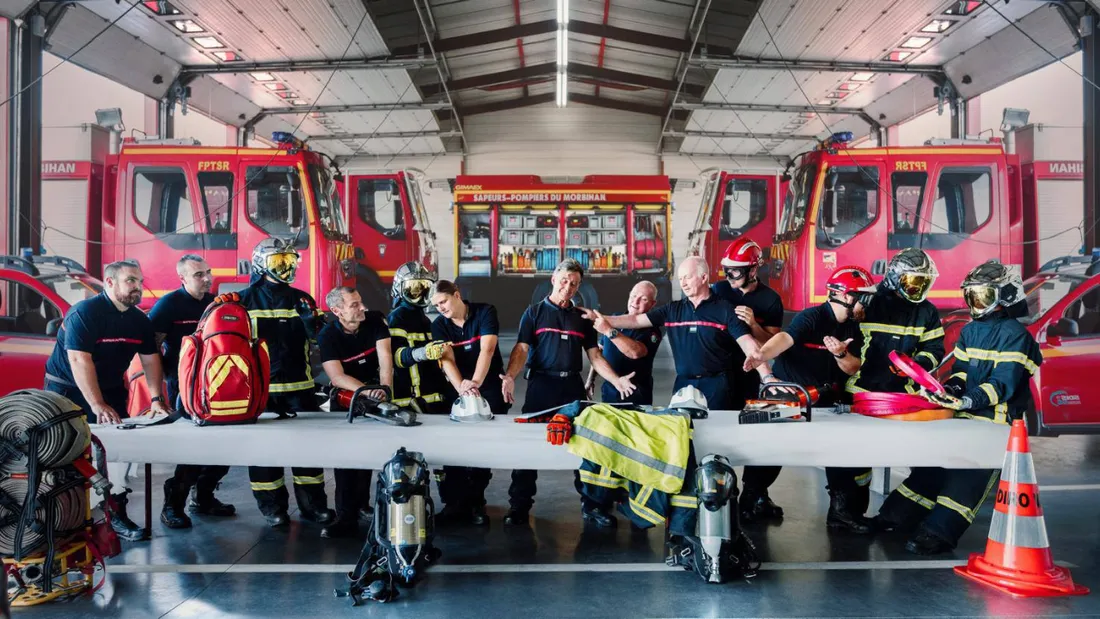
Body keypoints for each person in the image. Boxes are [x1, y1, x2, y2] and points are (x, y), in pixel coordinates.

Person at [877, 260, 1041, 555]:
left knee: (968, 479)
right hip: (966, 416)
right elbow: (963, 372)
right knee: (934, 467)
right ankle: (895, 516)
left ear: (1005, 296)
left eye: (984, 296)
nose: (976, 303)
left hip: (998, 424)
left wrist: (967, 400)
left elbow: (1003, 384)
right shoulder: (971, 330)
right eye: (972, 296)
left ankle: (939, 533)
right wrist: (952, 389)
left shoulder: (1017, 336)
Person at [501, 259, 637, 527]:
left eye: (574, 283)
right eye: (564, 281)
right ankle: (519, 507)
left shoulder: (582, 318)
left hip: (572, 389)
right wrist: (510, 376)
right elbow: (522, 350)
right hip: (541, 386)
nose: (568, 287)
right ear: (553, 279)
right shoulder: (534, 313)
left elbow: (595, 356)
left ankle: (593, 506)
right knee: (528, 448)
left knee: (587, 447)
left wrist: (617, 379)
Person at [44, 260, 170, 541]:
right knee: (66, 456)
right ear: (110, 283)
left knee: (117, 454)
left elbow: (150, 360)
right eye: (130, 281)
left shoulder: (139, 320)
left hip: (111, 390)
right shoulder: (85, 313)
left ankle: (116, 516)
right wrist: (97, 404)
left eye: (139, 280)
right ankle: (63, 520)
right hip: (68, 392)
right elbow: (79, 360)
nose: (138, 286)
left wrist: (156, 398)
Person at [744, 265, 874, 533]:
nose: (864, 301)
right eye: (859, 295)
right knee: (766, 451)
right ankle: (750, 502)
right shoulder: (812, 316)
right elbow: (784, 338)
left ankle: (839, 514)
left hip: (827, 399)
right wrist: (762, 355)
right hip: (786, 393)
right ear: (842, 295)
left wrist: (840, 354)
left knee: (838, 453)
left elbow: (852, 368)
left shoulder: (855, 327)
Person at [223, 238, 334, 528]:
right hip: (261, 394)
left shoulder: (301, 298)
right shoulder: (242, 300)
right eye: (278, 263)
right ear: (261, 264)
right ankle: (272, 508)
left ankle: (313, 506)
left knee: (308, 454)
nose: (285, 269)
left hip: (300, 390)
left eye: (289, 262)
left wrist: (314, 324)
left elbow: (320, 342)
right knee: (263, 454)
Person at [585, 256, 776, 412]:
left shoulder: (725, 310)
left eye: (688, 277)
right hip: (683, 384)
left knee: (718, 436)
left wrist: (767, 377)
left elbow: (748, 343)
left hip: (717, 384)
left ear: (703, 278)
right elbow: (635, 320)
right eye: (680, 278)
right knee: (683, 438)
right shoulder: (672, 310)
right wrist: (597, 317)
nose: (683, 283)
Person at [149, 255, 234, 530]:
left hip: (216, 386)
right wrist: (163, 385)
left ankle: (204, 498)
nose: (207, 278)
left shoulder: (214, 304)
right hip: (184, 388)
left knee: (223, 448)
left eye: (208, 272)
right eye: (199, 274)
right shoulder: (169, 305)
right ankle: (172, 507)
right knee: (192, 450)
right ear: (182, 278)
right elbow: (152, 348)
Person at [710, 239, 786, 522]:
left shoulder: (770, 300)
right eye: (727, 271)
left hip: (753, 376)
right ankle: (720, 491)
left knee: (761, 436)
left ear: (753, 270)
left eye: (736, 272)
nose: (730, 277)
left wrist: (754, 324)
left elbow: (775, 342)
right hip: (720, 372)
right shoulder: (718, 291)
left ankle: (755, 493)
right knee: (718, 433)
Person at [430, 280, 509, 526]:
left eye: (443, 301)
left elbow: (487, 350)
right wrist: (463, 388)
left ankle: (476, 503)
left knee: (481, 449)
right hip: (458, 387)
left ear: (457, 295)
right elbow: (447, 360)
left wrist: (475, 382)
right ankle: (454, 504)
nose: (440, 308)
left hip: (487, 385)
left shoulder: (486, 312)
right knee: (453, 450)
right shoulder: (439, 325)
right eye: (436, 305)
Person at [317, 286, 393, 539]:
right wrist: (366, 392)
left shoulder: (375, 320)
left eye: (360, 302)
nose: (362, 308)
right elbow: (337, 376)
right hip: (348, 398)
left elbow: (385, 359)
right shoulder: (328, 335)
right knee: (346, 460)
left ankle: (362, 506)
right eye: (354, 305)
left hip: (377, 394)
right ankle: (345, 517)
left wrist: (385, 392)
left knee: (368, 455)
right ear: (337, 311)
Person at [387, 262, 452, 413]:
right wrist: (423, 353)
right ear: (399, 288)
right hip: (408, 399)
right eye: (413, 289)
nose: (419, 295)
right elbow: (396, 358)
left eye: (424, 289)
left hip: (430, 395)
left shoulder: (425, 320)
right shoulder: (396, 318)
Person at [592, 281, 663, 406]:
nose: (635, 302)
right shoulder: (615, 318)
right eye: (634, 296)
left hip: (635, 394)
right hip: (610, 391)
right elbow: (599, 352)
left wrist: (608, 330)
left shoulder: (653, 330)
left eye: (644, 299)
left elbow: (635, 352)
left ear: (653, 304)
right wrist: (590, 380)